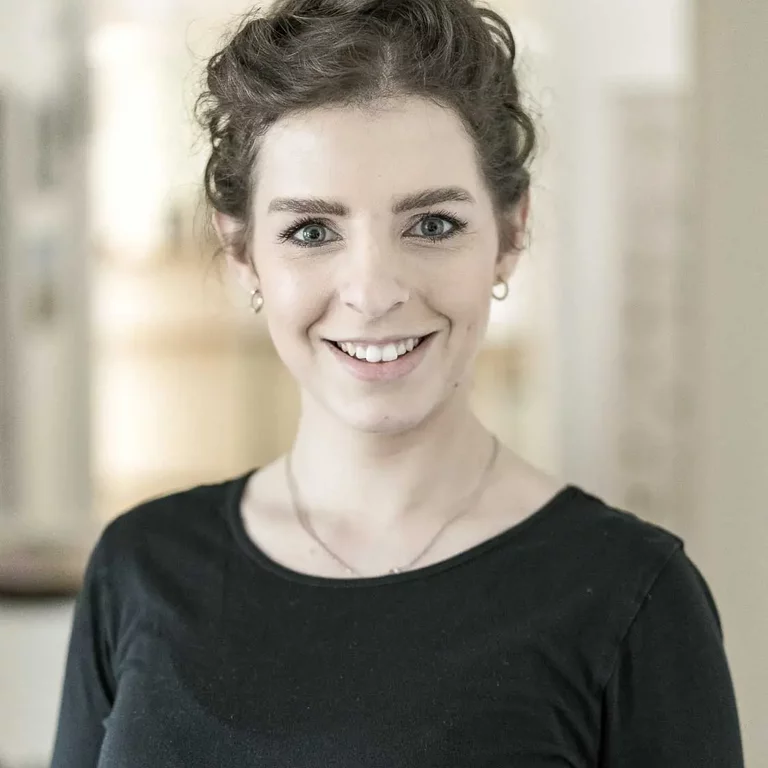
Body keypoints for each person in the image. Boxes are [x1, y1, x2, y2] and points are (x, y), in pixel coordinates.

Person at [51, 1, 744, 765]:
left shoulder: (632, 595)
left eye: (432, 225)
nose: (374, 292)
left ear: (511, 233)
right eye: (312, 231)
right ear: (244, 253)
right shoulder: (140, 566)